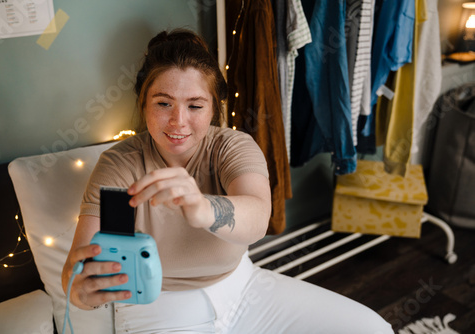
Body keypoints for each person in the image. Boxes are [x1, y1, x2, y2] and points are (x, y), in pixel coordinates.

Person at [62, 28, 393, 333]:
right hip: (159, 304)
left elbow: (257, 216)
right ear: (143, 104)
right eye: (163, 103)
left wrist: (202, 207)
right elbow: (80, 267)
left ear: (213, 109)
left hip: (244, 287)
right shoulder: (121, 165)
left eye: (195, 105)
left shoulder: (231, 146)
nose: (178, 121)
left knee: (371, 329)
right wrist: (82, 294)